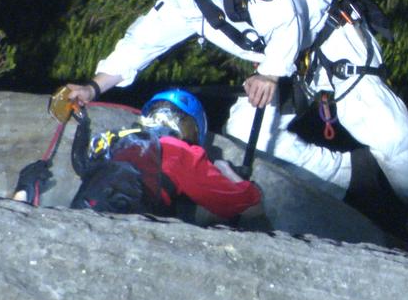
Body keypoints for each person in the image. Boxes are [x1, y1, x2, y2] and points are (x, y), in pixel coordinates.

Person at [65, 0, 408, 239]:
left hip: (329, 41)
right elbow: (140, 42)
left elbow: (287, 20)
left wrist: (270, 72)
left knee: (390, 132)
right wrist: (94, 88)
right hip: (279, 65)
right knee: (242, 132)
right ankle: (350, 176)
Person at [14, 88, 264, 225]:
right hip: (134, 219)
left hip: (85, 209)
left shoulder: (116, 139)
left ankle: (23, 193)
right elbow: (238, 201)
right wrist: (228, 171)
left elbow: (85, 168)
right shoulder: (181, 153)